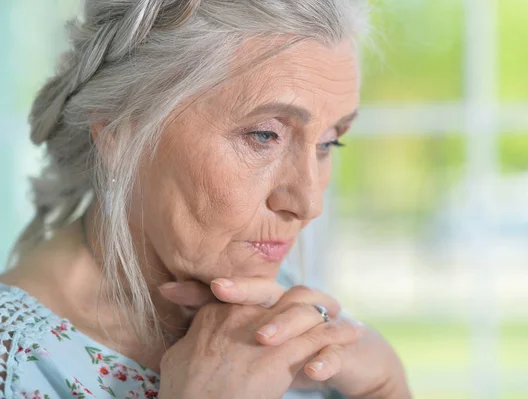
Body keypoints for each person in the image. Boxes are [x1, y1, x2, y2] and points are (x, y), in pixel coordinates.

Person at [0, 1, 411, 398]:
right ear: (121, 133)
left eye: (328, 143)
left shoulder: (277, 298)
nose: (308, 204)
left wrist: (386, 387)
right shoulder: (15, 370)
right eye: (264, 135)